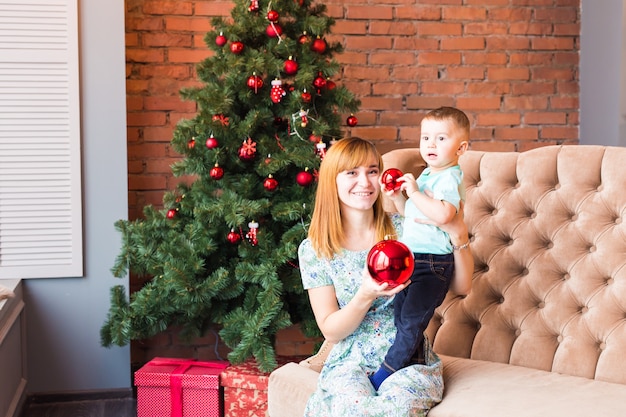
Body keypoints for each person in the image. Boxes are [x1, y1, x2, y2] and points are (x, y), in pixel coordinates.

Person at [298, 136, 473, 416]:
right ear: (333, 180)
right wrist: (365, 295)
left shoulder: (408, 230)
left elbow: (461, 287)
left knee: (390, 409)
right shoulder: (316, 248)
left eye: (372, 171)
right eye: (352, 173)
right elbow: (330, 329)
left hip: (407, 357)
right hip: (349, 361)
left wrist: (459, 237)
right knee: (349, 406)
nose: (365, 182)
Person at [369, 107, 470, 390]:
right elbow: (412, 215)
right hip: (413, 260)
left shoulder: (449, 177)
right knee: (401, 316)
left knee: (411, 322)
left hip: (433, 264)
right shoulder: (427, 174)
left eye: (440, 138)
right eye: (426, 138)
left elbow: (443, 217)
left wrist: (413, 192)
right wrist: (399, 198)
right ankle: (411, 365)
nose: (430, 145)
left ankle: (384, 375)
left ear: (461, 148)